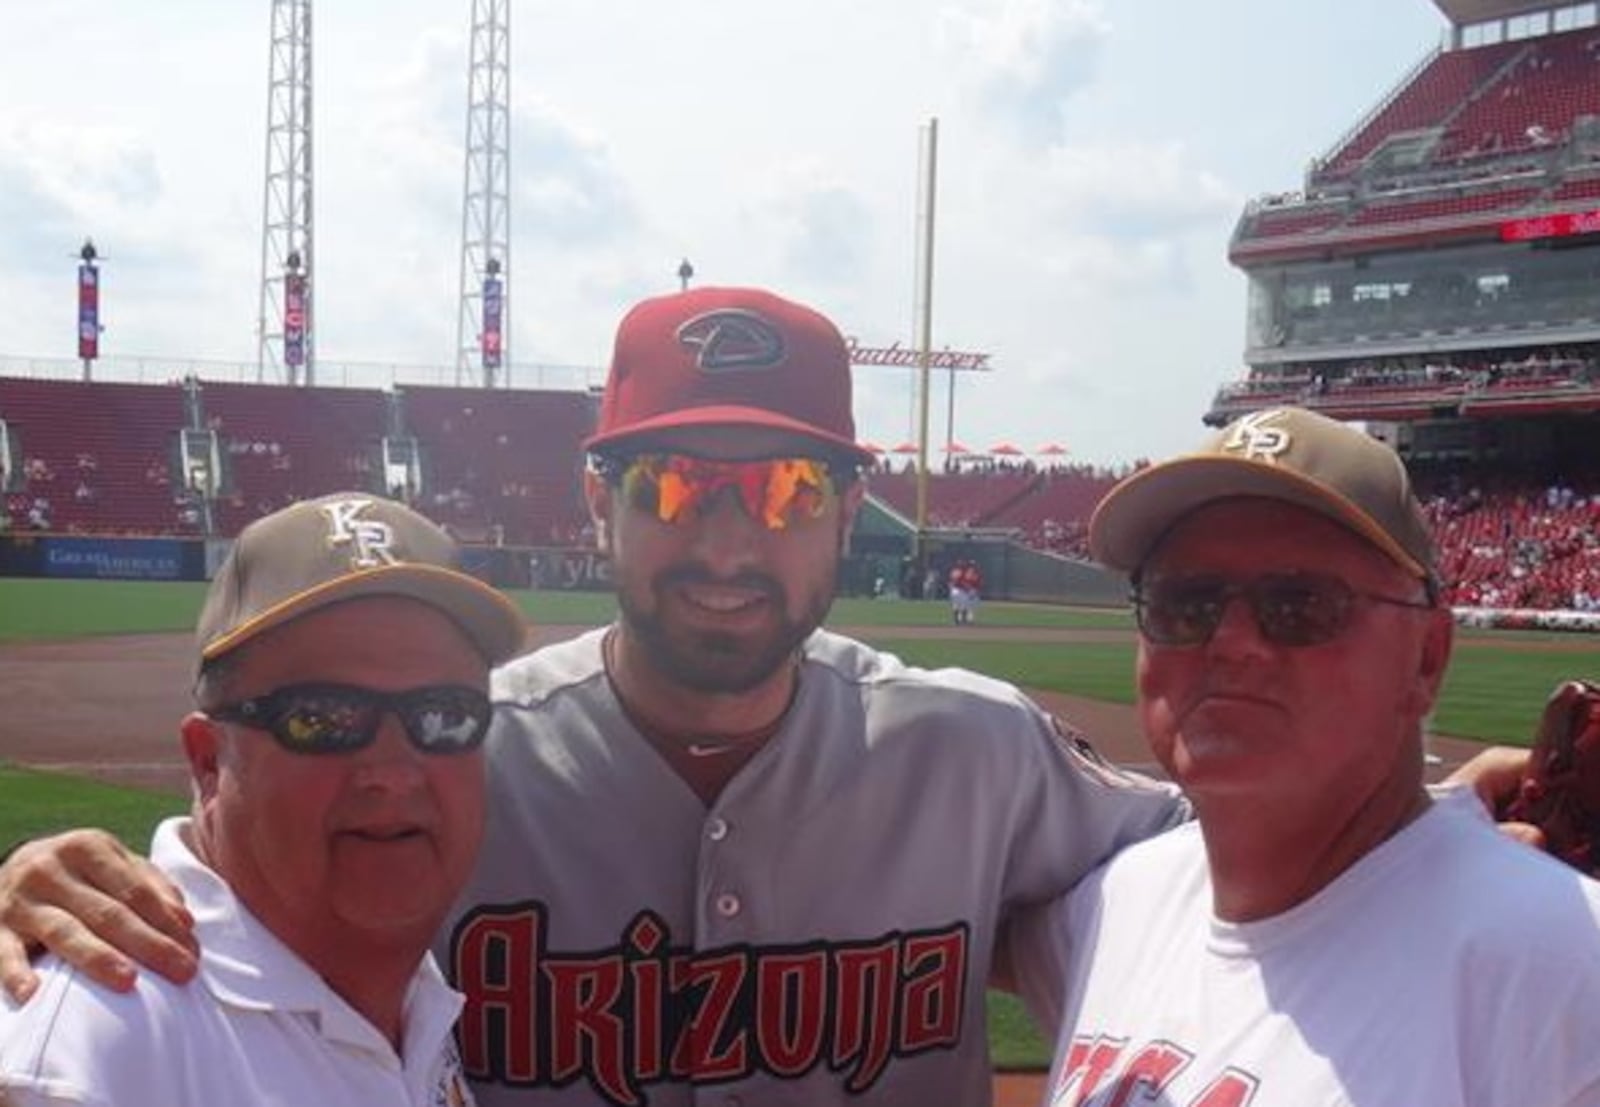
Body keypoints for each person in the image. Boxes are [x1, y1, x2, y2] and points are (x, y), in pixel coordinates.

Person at [0, 292, 1531, 1107]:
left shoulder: (980, 752)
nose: (730, 537)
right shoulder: (454, 759)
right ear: (596, 503)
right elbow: (234, 922)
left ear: (849, 506)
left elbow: (1241, 864)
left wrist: (1449, 799)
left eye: (789, 484)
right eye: (674, 480)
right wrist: (44, 886)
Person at [1016, 407, 1600, 1105]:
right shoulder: (1120, 900)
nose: (1230, 640)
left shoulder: (1565, 966)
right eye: (1184, 602)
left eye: (1300, 603)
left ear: (1427, 658)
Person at [0, 493, 527, 1104]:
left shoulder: (406, 988)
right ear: (207, 761)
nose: (394, 772)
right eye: (323, 717)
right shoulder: (92, 1049)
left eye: (445, 714)